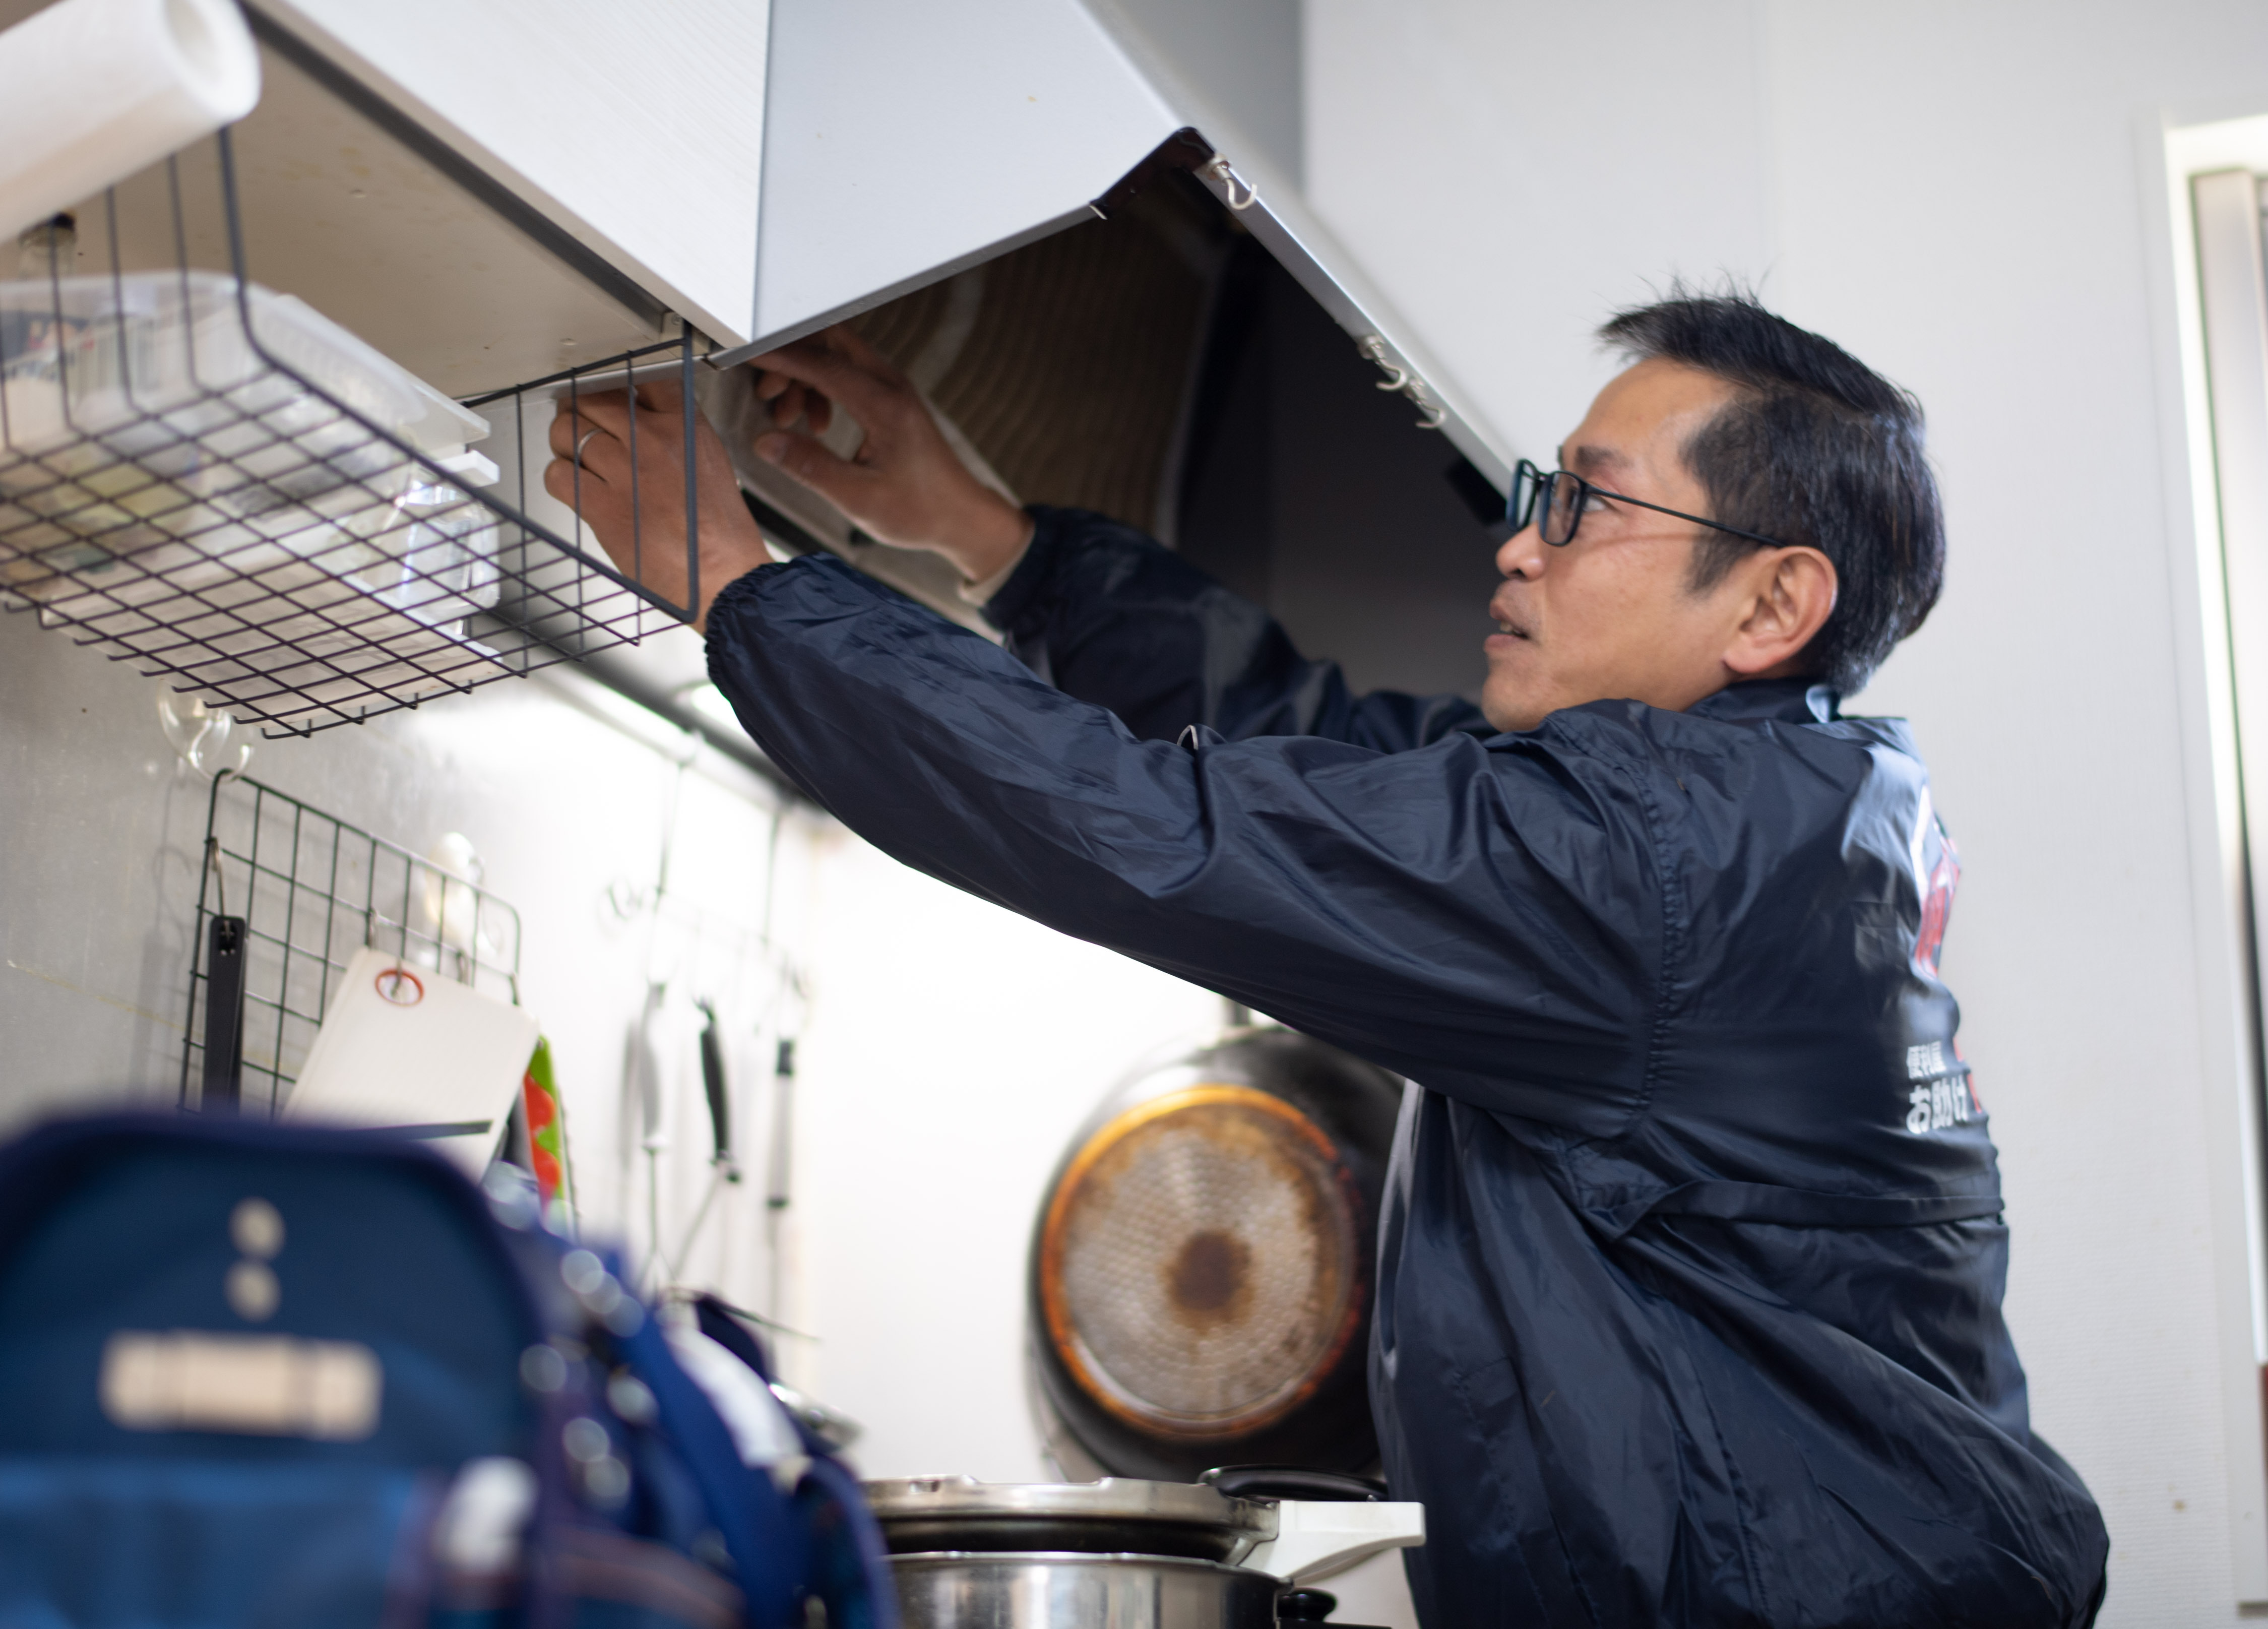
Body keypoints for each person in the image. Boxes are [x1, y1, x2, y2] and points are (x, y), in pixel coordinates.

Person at [546, 291, 2110, 1626]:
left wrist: (741, 586)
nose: (1520, 547)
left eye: (1586, 506)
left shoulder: (1656, 864)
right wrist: (986, 536)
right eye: (1538, 494)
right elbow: (1317, 750)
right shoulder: (1777, 818)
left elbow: (1154, 831)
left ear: (1772, 602)